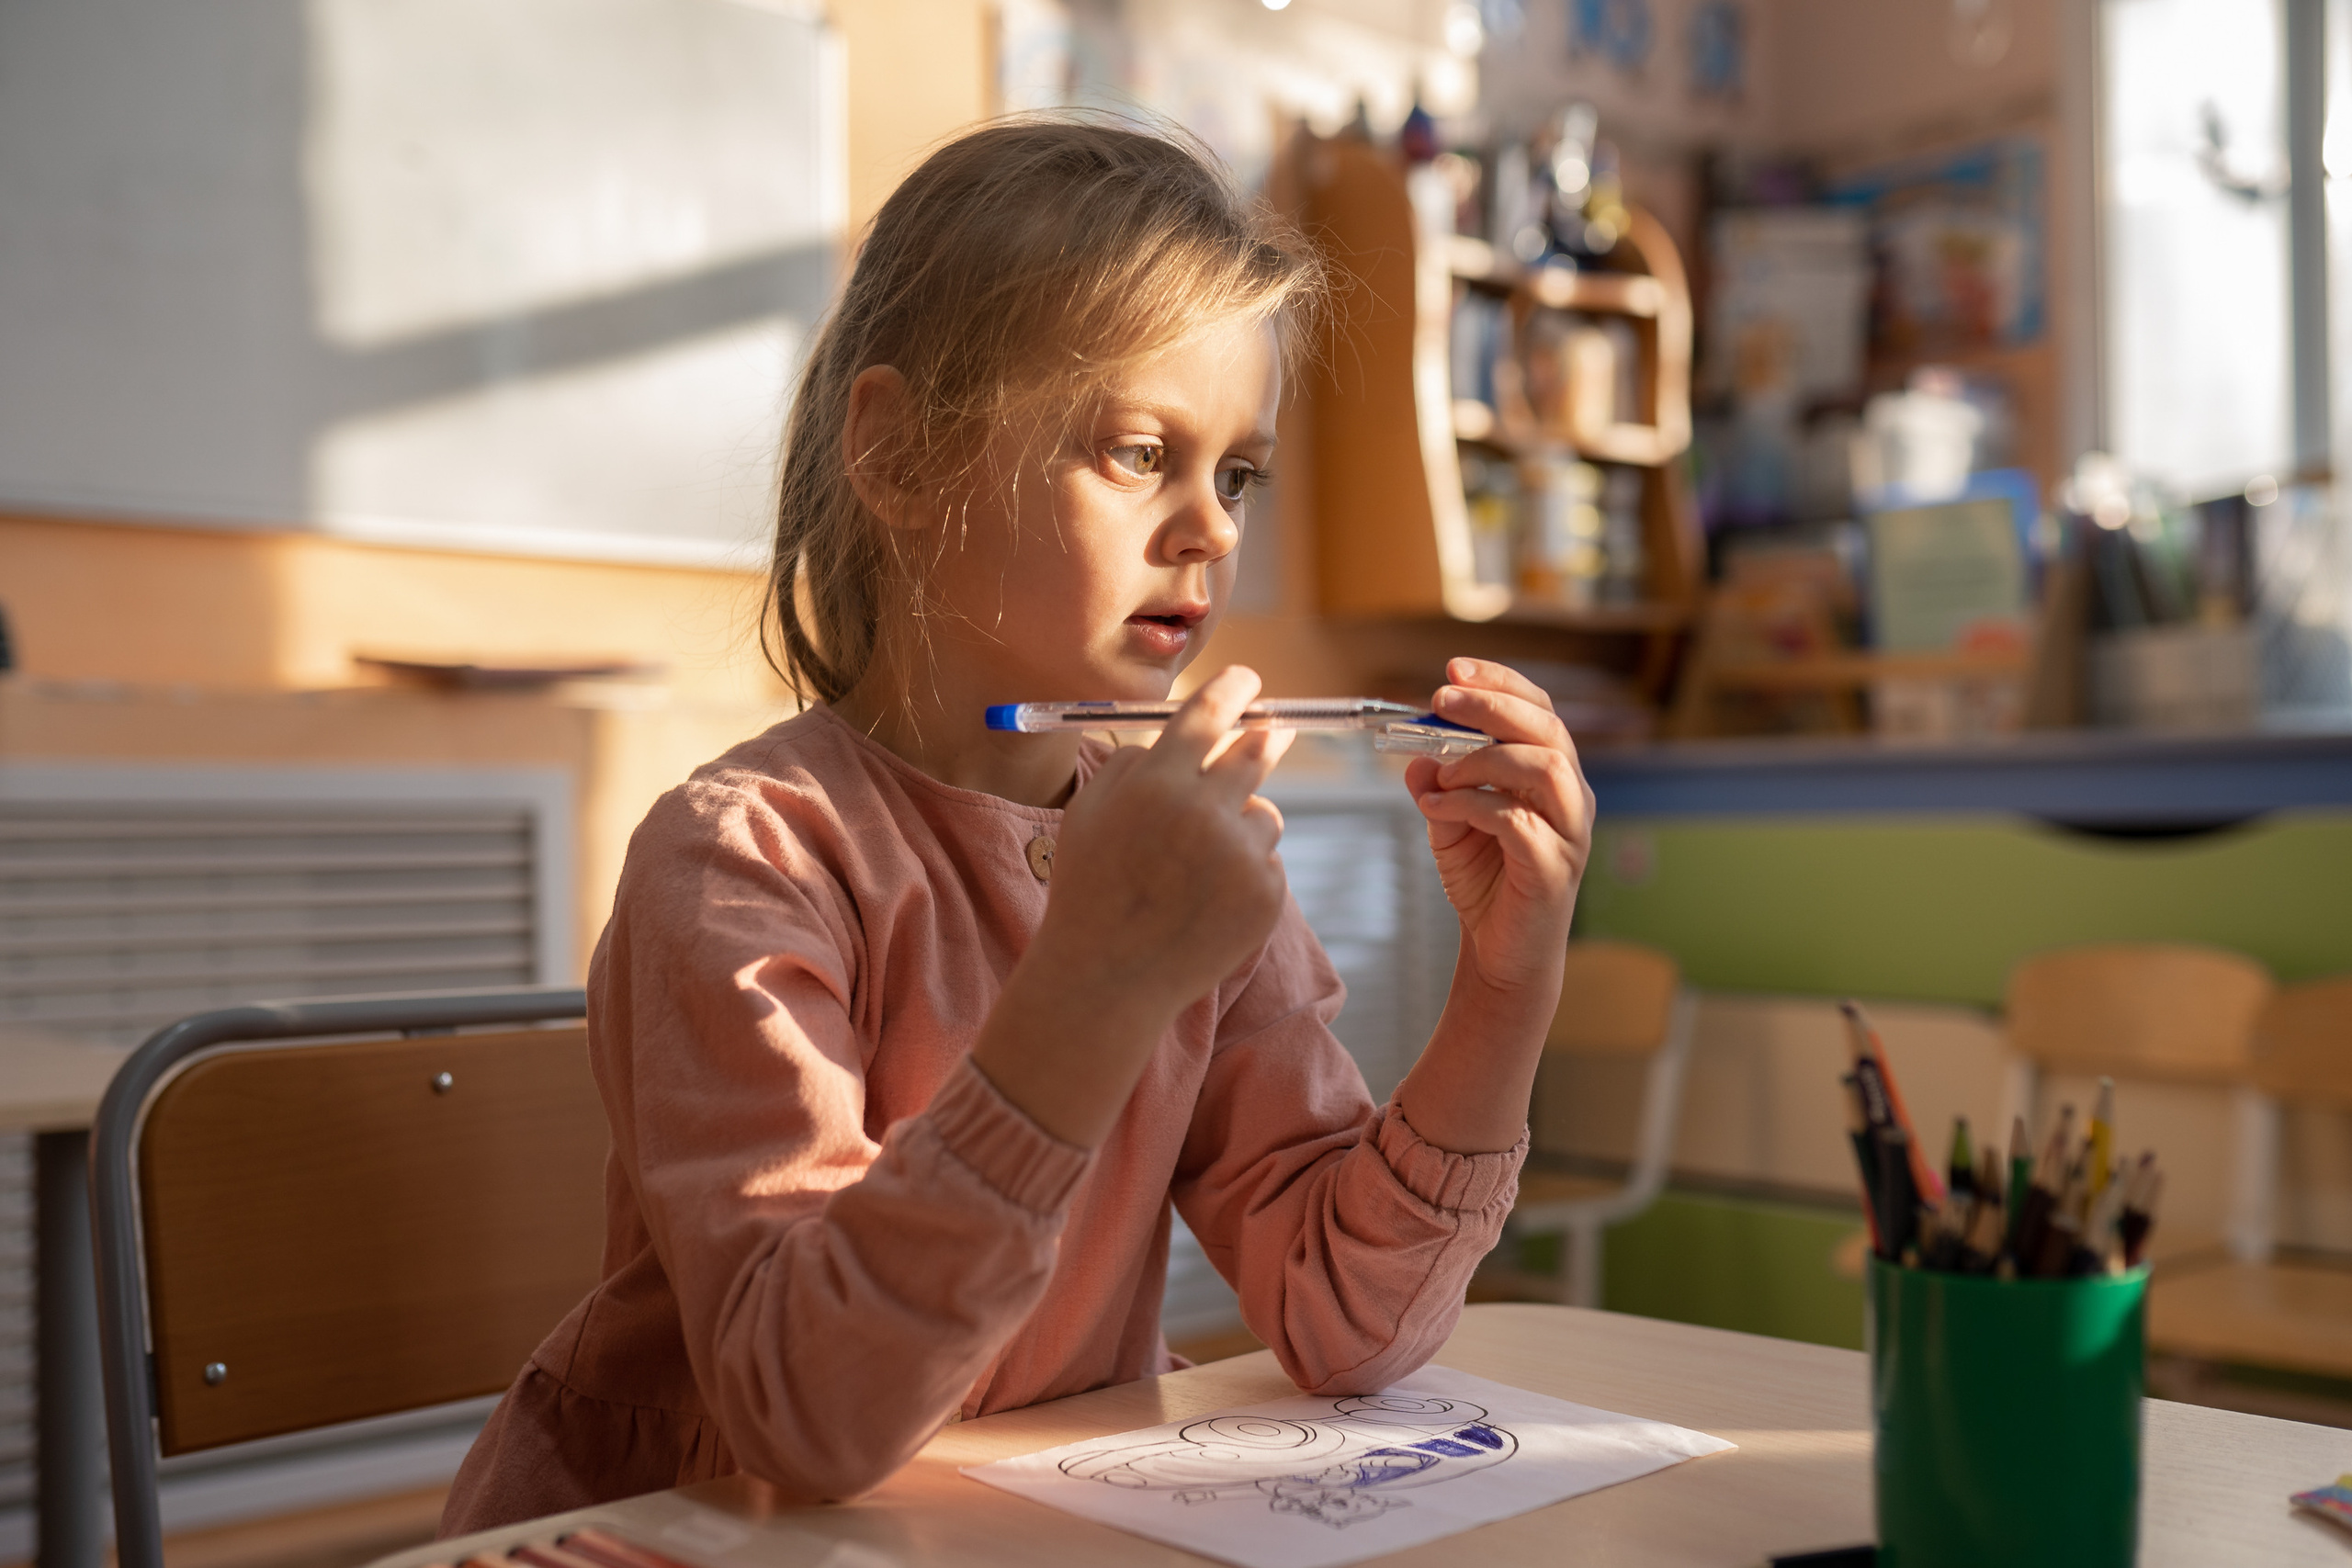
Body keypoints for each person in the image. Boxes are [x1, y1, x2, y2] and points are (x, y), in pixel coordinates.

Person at [441, 114, 1594, 1534]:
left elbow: (1351, 1322)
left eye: (1238, 474)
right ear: (900, 456)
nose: (1214, 529)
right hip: (693, 1534)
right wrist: (1097, 983)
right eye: (1138, 452)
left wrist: (1508, 986)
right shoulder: (748, 858)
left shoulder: (1176, 857)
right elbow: (811, 1417)